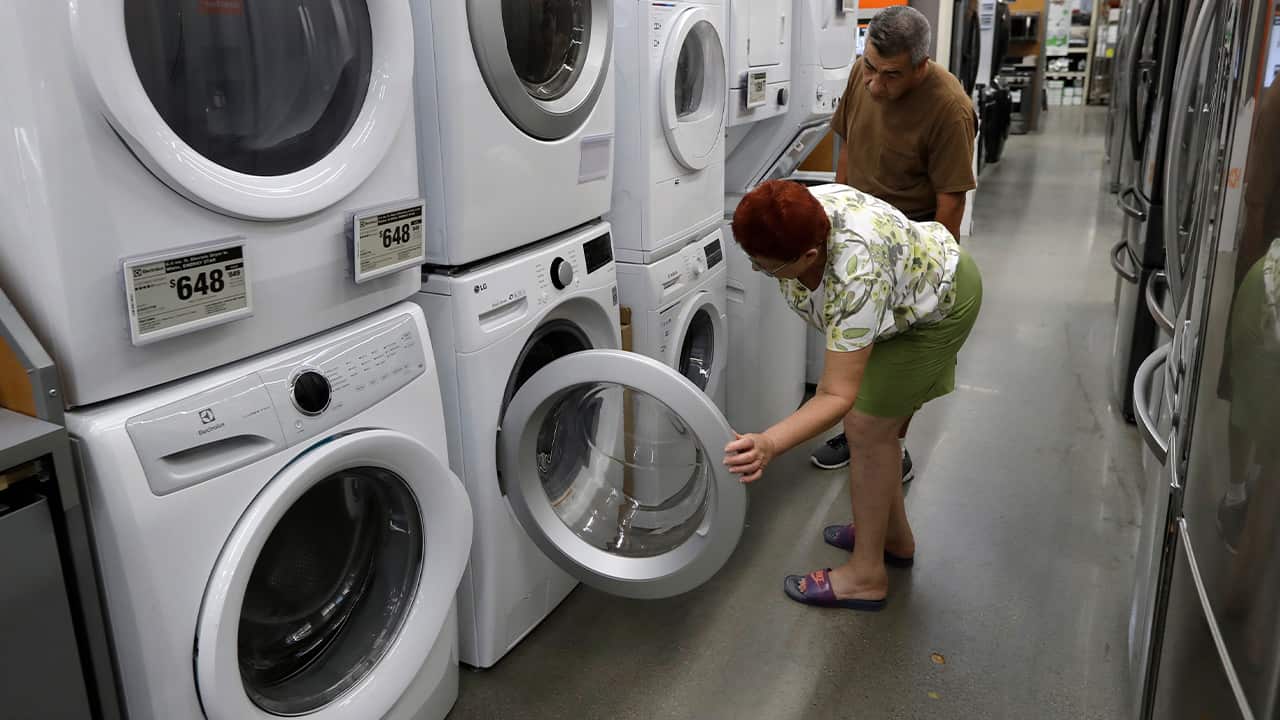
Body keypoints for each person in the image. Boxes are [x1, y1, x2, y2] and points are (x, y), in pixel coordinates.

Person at [723, 179, 982, 610]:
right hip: (902, 294)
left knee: (865, 429)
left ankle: (866, 576)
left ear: (808, 255)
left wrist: (769, 443)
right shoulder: (797, 212)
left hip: (938, 304)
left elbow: (835, 394)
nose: (758, 273)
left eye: (765, 268)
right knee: (875, 431)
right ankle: (892, 538)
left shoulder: (855, 275)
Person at [812, 5, 978, 473]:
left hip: (908, 251)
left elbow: (951, 206)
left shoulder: (949, 108)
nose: (874, 84)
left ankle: (890, 444)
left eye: (890, 75)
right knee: (851, 344)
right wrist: (833, 222)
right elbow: (846, 154)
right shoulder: (860, 75)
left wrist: (930, 286)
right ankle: (855, 431)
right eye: (870, 67)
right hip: (856, 241)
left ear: (920, 66)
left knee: (893, 359)